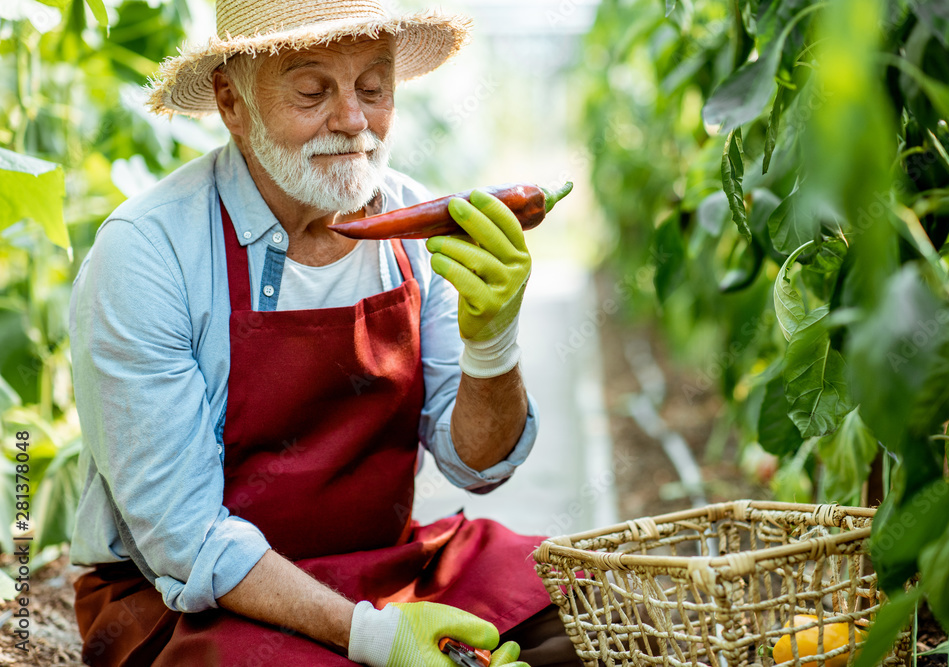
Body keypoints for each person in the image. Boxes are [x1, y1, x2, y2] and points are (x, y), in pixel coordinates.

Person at [67, 0, 580, 664]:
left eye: (373, 87)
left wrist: (492, 344)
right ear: (231, 103)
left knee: (586, 611)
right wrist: (373, 636)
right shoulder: (146, 254)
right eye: (312, 90)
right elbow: (183, 536)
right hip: (183, 598)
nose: (353, 120)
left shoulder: (417, 231)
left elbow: (476, 463)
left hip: (378, 562)